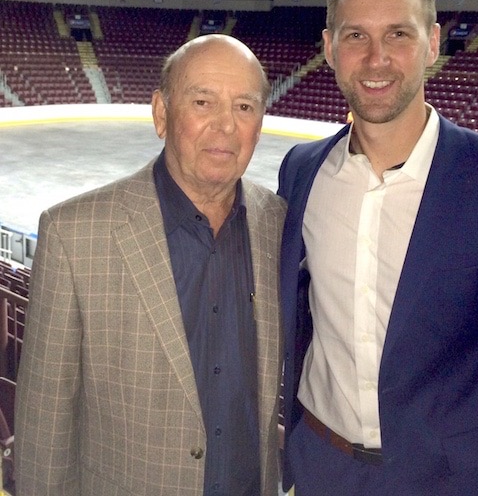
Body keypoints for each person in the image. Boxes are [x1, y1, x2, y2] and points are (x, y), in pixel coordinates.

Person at [278, 0, 478, 496]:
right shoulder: (302, 172)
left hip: (450, 480)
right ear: (328, 48)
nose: (376, 59)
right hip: (319, 465)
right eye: (354, 37)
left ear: (433, 42)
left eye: (398, 34)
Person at [15, 34, 286, 496]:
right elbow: (44, 431)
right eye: (203, 102)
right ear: (161, 114)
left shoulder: (276, 223)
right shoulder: (73, 235)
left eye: (244, 107)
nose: (225, 126)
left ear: (260, 121)